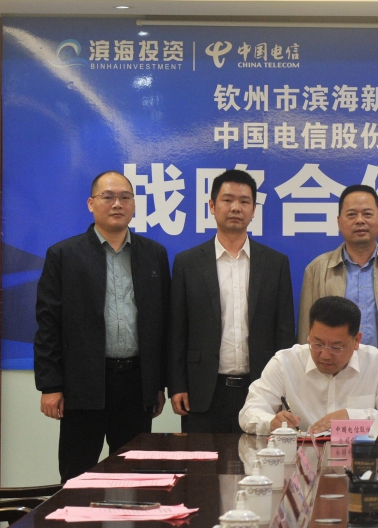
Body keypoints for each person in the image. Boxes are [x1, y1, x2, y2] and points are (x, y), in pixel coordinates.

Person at [34, 171, 171, 482]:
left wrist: (158, 385)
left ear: (133, 204)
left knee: (134, 478)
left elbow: (162, 324)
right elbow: (48, 325)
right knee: (77, 477)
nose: (117, 204)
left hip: (136, 384)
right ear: (91, 203)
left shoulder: (154, 255)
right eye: (108, 196)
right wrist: (50, 385)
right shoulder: (64, 255)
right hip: (82, 385)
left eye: (125, 197)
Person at [168, 169, 295, 433]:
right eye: (227, 200)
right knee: (202, 459)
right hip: (203, 389)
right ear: (212, 206)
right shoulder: (187, 263)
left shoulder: (275, 263)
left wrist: (285, 388)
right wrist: (177, 385)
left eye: (244, 201)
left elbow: (284, 331)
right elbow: (177, 329)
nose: (236, 207)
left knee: (260, 459)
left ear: (253, 210)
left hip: (261, 389)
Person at [297, 184, 378, 420]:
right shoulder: (317, 269)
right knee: (330, 439)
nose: (360, 221)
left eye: (367, 214)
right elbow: (306, 337)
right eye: (351, 214)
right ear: (339, 221)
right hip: (332, 382)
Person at [239, 296, 378, 434]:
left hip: (358, 462)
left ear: (357, 340)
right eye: (318, 344)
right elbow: (249, 413)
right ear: (309, 332)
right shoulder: (285, 362)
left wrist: (352, 416)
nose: (325, 355)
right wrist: (271, 422)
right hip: (299, 461)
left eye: (336, 347)